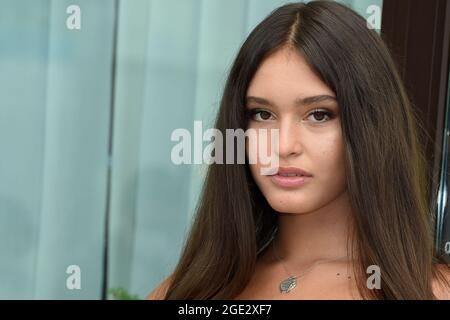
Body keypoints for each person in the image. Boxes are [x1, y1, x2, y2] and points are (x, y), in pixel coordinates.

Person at [147, 0, 450, 299]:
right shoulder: (188, 290)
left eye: (319, 115)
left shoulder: (431, 291)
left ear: (371, 127)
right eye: (262, 114)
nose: (283, 146)